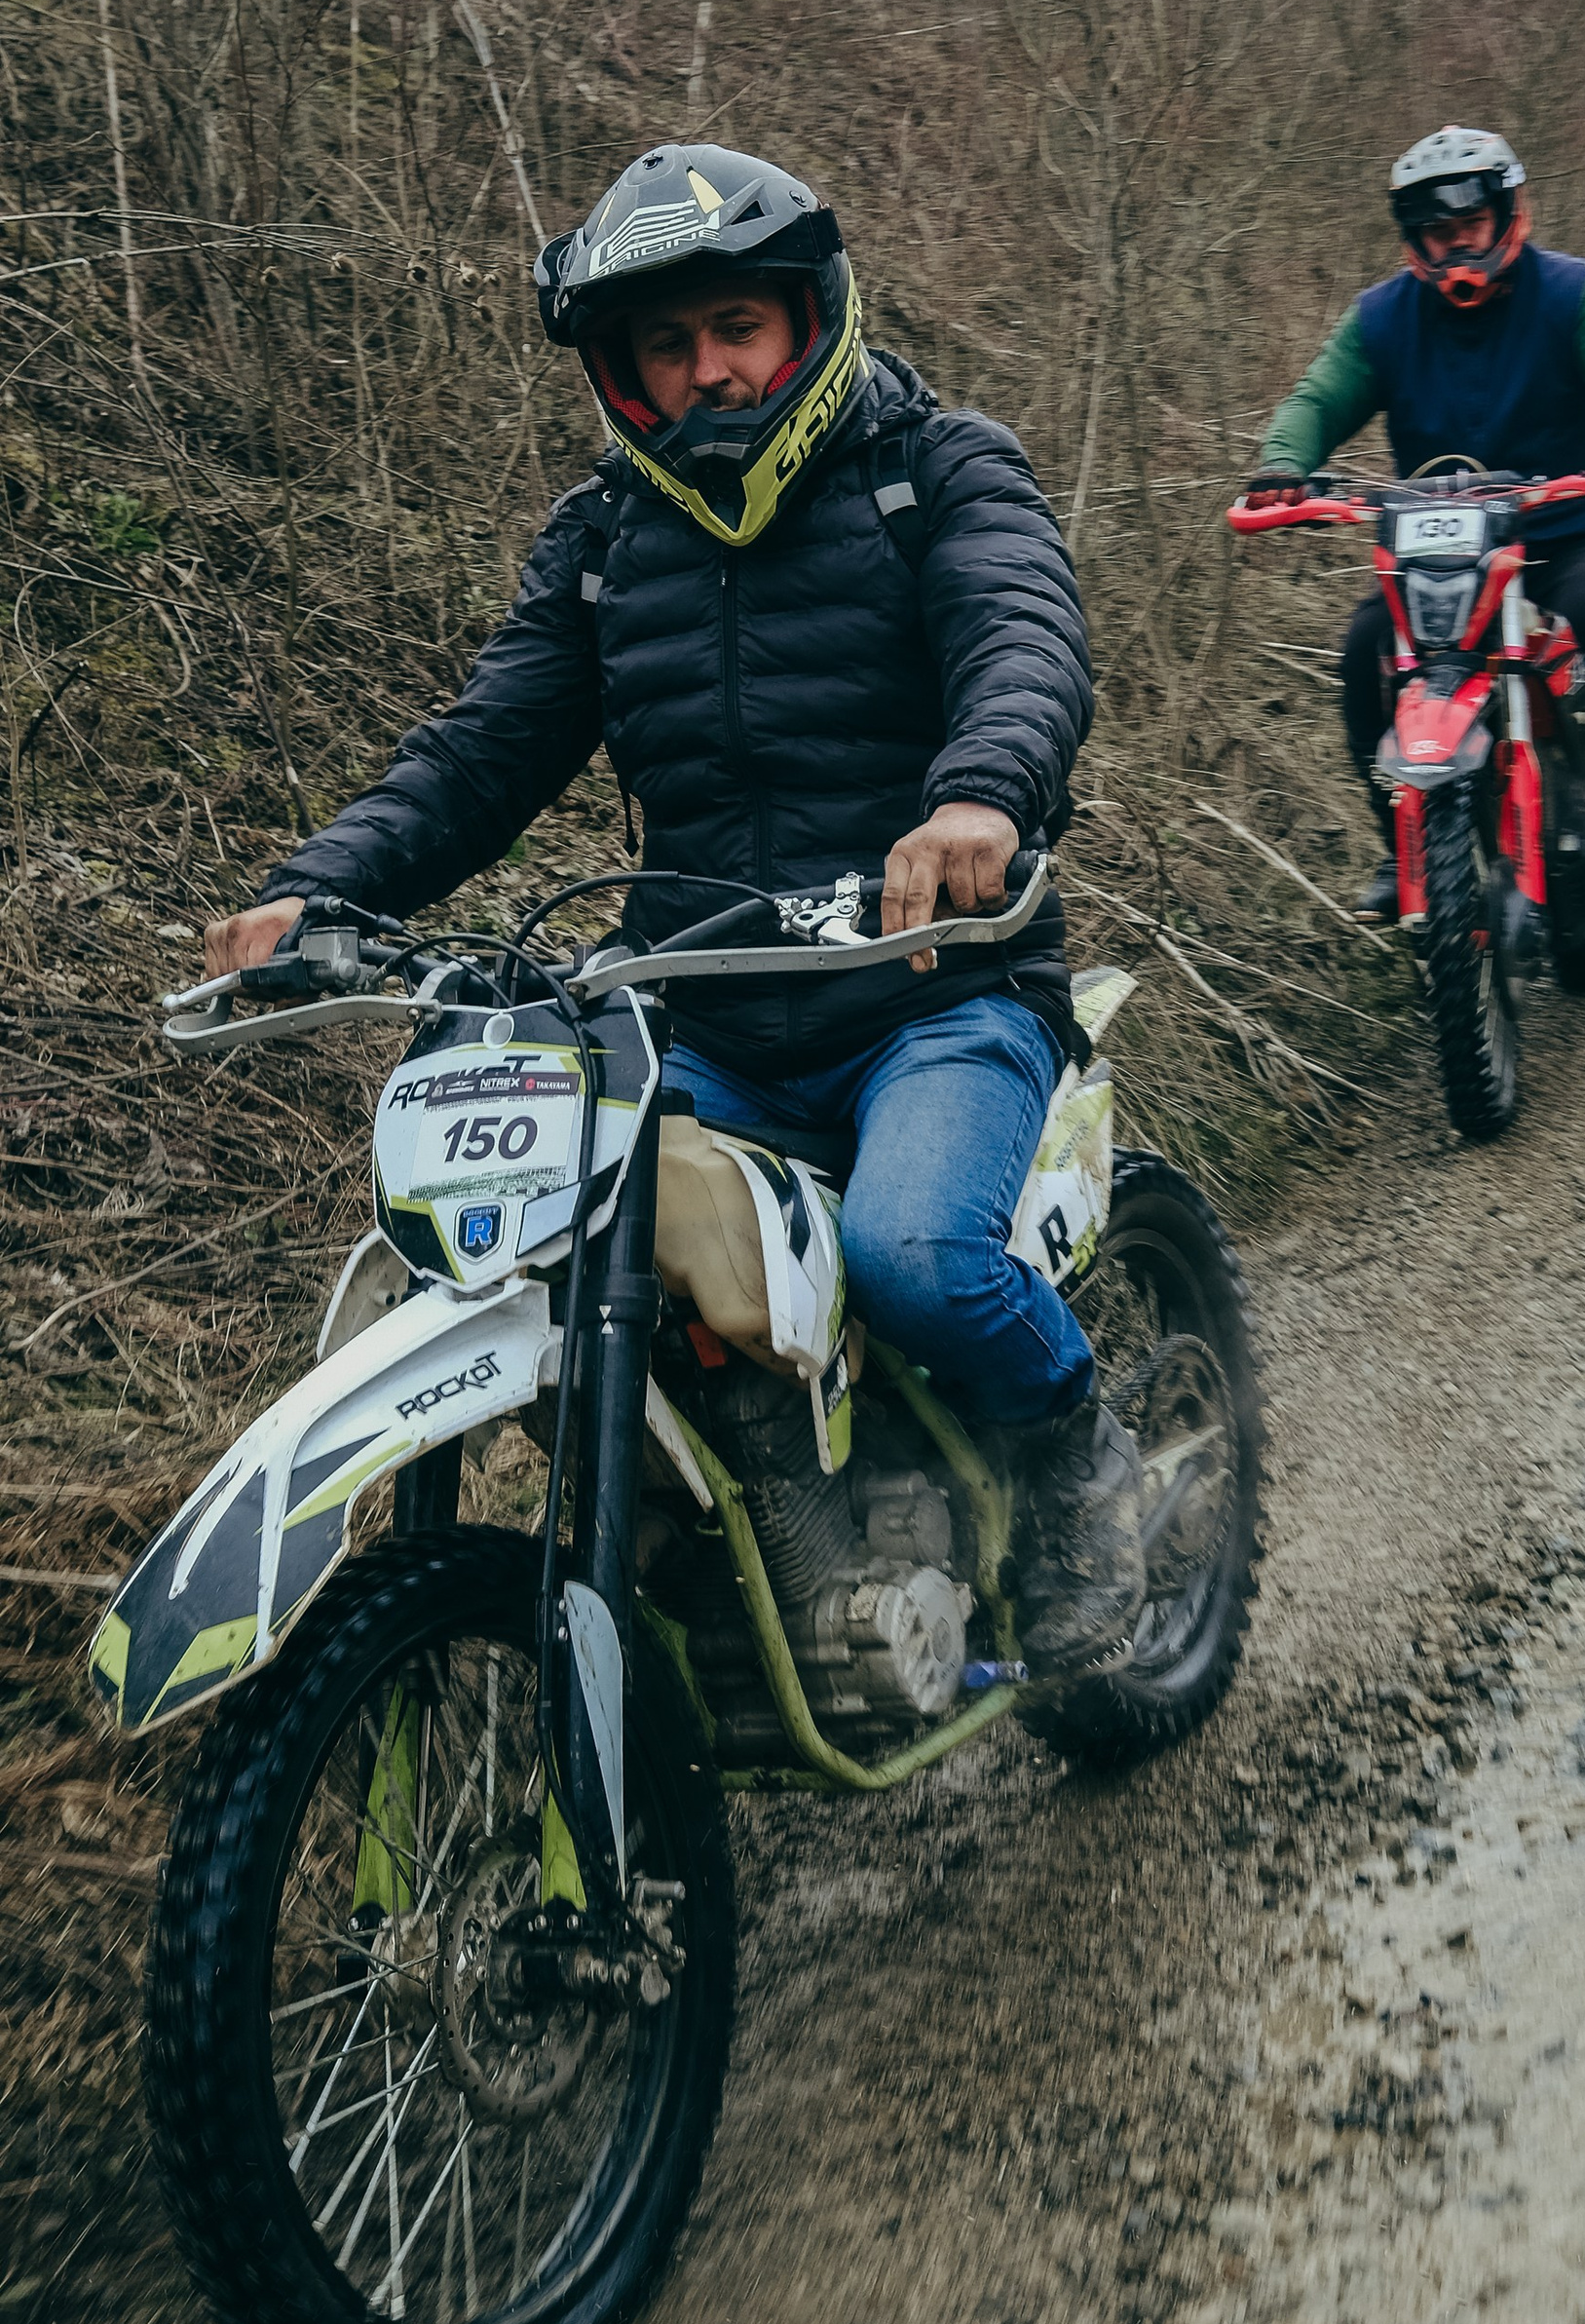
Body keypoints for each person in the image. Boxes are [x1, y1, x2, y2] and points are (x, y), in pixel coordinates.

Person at [202, 142, 1142, 1675]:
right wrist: (323, 883)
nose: (708, 371)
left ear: (804, 320)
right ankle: (748, 1534)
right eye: (666, 343)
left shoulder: (938, 467)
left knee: (913, 1255)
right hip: (698, 1012)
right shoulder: (605, 544)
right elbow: (483, 748)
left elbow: (1022, 637)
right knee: (564, 1243)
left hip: (936, 994)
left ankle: (1074, 1456)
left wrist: (979, 796)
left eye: (737, 331)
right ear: (625, 370)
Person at [1238, 128, 1585, 930]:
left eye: (1469, 224)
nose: (1455, 245)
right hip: (1442, 550)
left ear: (1507, 214)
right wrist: (1283, 462)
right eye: (1436, 232)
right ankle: (1401, 846)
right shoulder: (1382, 317)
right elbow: (1319, 397)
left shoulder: (1576, 293)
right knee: (1363, 653)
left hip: (1570, 527)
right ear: (1415, 239)